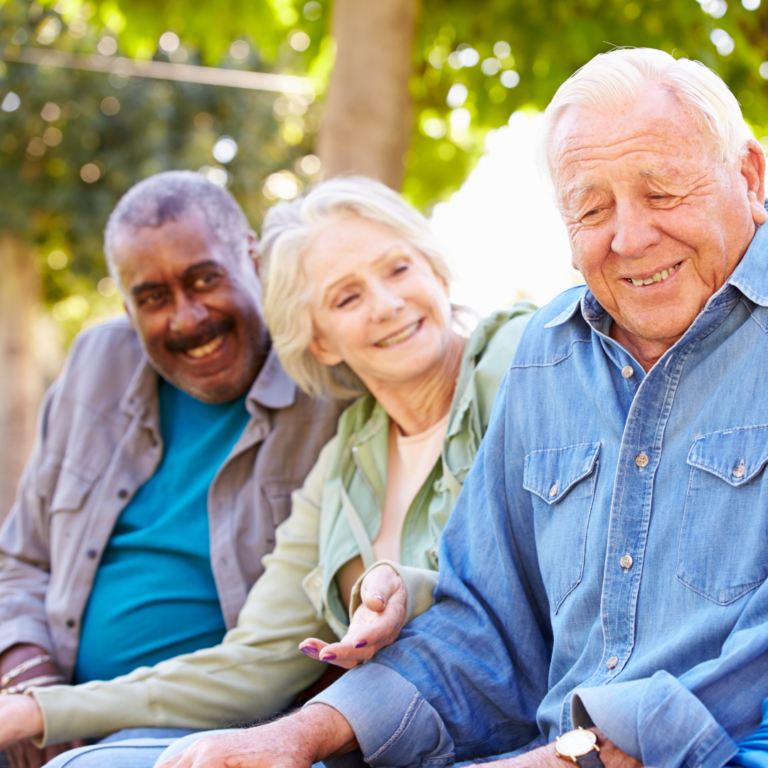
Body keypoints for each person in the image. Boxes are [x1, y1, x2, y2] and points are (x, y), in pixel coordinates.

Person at [141, 47, 768, 768]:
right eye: (592, 209)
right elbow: (485, 631)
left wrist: (569, 755)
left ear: (748, 175)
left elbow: (733, 694)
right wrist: (294, 738)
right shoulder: (549, 356)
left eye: (662, 194)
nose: (629, 237)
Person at [0, 177, 534, 766]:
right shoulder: (346, 460)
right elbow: (255, 658)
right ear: (319, 340)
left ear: (437, 270)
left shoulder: (519, 360)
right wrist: (36, 708)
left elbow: (514, 594)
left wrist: (407, 591)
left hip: (458, 737)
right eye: (346, 298)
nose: (386, 304)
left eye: (399, 268)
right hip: (348, 737)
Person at [0, 171, 345, 768]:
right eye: (153, 298)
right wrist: (29, 679)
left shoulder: (330, 383)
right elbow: (21, 559)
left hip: (218, 731)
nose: (187, 319)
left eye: (204, 279)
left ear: (254, 259)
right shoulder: (95, 365)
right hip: (49, 715)